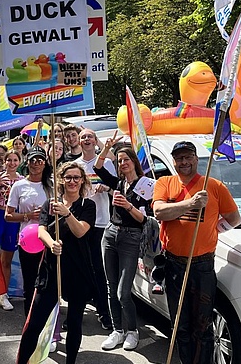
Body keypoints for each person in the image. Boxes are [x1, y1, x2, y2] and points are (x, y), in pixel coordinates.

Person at [153, 141, 241, 364]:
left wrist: (213, 230)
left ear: (195, 158)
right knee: (180, 325)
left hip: (202, 265)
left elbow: (234, 219)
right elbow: (159, 211)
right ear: (173, 161)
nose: (183, 162)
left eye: (187, 157)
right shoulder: (165, 183)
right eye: (179, 158)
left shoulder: (214, 186)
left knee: (202, 326)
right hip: (174, 265)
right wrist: (190, 203)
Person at [16, 162, 97, 364]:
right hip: (51, 270)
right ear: (61, 180)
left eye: (76, 177)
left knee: (75, 322)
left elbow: (80, 231)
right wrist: (52, 244)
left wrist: (67, 213)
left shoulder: (88, 206)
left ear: (82, 181)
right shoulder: (50, 204)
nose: (72, 181)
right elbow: (41, 229)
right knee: (35, 323)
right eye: (68, 177)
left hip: (78, 271)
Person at [94, 136, 153, 351]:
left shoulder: (146, 185)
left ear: (134, 162)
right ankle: (117, 330)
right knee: (111, 286)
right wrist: (106, 147)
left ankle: (132, 331)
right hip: (110, 234)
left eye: (126, 159)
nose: (122, 163)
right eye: (119, 160)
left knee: (123, 291)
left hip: (131, 238)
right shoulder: (119, 182)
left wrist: (128, 206)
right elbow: (98, 167)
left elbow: (145, 219)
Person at [5, 146, 52, 315]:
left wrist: (48, 214)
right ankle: (30, 318)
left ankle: (49, 321)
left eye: (39, 160)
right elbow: (8, 215)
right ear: (27, 163)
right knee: (30, 282)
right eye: (32, 160)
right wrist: (28, 215)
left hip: (48, 239)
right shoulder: (19, 186)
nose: (36, 164)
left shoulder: (51, 185)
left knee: (48, 282)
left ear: (45, 163)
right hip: (28, 241)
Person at [74, 128, 113, 329]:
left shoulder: (105, 163)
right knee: (81, 267)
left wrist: (106, 187)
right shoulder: (75, 165)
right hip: (81, 223)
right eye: (83, 137)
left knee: (99, 269)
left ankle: (104, 312)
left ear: (95, 140)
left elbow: (117, 187)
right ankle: (76, 312)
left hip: (101, 222)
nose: (86, 139)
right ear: (78, 143)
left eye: (89, 136)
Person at [0, 150, 24, 311]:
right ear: (4, 162)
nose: (12, 163)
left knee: (7, 258)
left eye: (15, 160)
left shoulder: (22, 180)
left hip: (12, 219)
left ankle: (3, 294)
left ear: (19, 161)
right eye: (9, 160)